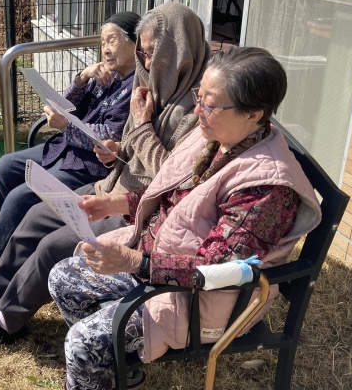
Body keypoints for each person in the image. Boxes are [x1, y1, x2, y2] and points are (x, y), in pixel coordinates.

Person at [47, 46, 322, 390]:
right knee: (63, 278)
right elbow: (176, 195)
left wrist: (132, 261)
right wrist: (114, 204)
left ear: (253, 114)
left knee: (82, 342)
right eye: (198, 96)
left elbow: (216, 270)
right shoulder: (217, 136)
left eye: (211, 104)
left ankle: (102, 353)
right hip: (157, 264)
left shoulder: (266, 188)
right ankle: (114, 364)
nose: (198, 110)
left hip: (200, 299)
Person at [0, 2, 210, 350]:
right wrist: (117, 148)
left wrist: (142, 127)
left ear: (177, 50)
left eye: (151, 53)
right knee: (35, 216)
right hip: (109, 185)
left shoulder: (200, 110)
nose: (145, 62)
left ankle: (8, 319)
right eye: (142, 54)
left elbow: (174, 179)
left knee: (52, 245)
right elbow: (126, 142)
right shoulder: (152, 86)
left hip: (140, 209)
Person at [0, 12, 141, 283]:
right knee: (6, 166)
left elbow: (110, 137)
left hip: (91, 163)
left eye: (112, 40)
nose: (105, 48)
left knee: (22, 195)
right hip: (66, 147)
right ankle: (7, 239)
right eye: (102, 42)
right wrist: (83, 77)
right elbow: (68, 105)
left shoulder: (137, 86)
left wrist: (65, 125)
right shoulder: (105, 74)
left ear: (134, 42)